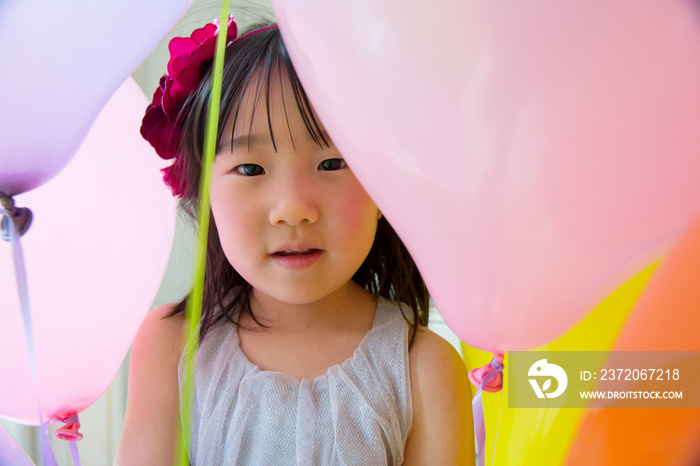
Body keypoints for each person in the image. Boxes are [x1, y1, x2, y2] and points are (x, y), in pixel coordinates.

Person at [115, 16, 475, 466]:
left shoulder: (423, 366)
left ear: (385, 185)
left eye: (331, 163)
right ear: (204, 190)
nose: (293, 208)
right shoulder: (172, 345)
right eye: (250, 169)